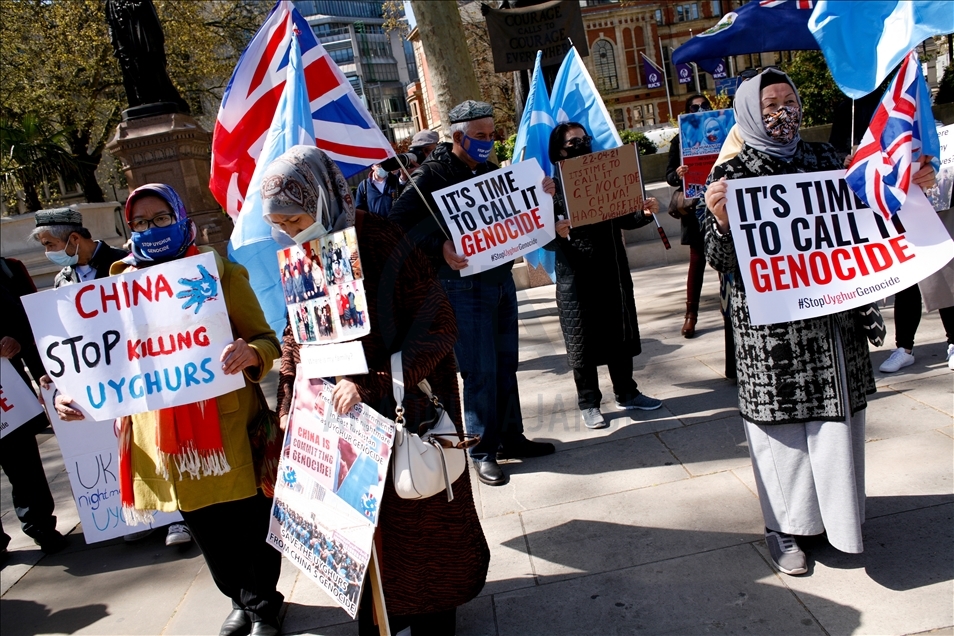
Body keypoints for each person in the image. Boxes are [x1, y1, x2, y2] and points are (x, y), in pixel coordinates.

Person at [703, 68, 937, 576]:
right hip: (772, 336)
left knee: (836, 430)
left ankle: (836, 522)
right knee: (783, 435)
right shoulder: (731, 176)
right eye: (769, 104)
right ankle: (784, 529)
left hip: (833, 329)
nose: (781, 111)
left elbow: (874, 213)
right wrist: (721, 222)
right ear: (748, 112)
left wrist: (910, 184)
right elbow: (719, 259)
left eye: (788, 99)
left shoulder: (828, 160)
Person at [262, 145, 489, 634]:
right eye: (280, 225)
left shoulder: (383, 240)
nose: (290, 232)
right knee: (360, 535)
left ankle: (432, 616)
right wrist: (286, 402)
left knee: (421, 525)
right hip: (340, 423)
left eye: (297, 220)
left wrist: (370, 383)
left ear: (323, 200)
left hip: (406, 415)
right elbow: (294, 333)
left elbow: (439, 326)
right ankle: (383, 614)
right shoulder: (300, 253)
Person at [53, 184, 284, 635]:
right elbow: (101, 360)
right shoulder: (113, 286)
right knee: (203, 527)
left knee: (243, 521)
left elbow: (266, 341)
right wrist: (72, 395)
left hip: (225, 426)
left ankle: (263, 604)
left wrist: (251, 354)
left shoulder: (219, 274)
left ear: (180, 218)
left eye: (160, 218)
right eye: (139, 223)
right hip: (158, 433)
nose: (150, 229)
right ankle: (238, 597)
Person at [390, 100, 556, 487]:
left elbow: (515, 215)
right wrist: (439, 248)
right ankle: (482, 451)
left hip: (500, 282)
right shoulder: (431, 176)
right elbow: (396, 223)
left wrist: (540, 194)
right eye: (480, 137)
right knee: (479, 371)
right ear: (458, 137)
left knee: (505, 365)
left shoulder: (492, 171)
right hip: (461, 288)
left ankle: (511, 437)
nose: (488, 142)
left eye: (492, 135)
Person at [545, 123, 663, 430]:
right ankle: (589, 402)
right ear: (559, 150)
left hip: (612, 269)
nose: (582, 145)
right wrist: (557, 231)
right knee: (582, 338)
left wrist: (644, 213)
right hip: (577, 276)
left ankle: (627, 391)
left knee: (618, 331)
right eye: (574, 142)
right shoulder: (550, 189)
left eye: (585, 140)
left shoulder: (605, 177)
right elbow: (541, 238)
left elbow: (626, 217)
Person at [0, 257, 68, 556]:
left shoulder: (9, 268)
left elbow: (30, 318)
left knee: (23, 463)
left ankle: (41, 526)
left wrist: (19, 342)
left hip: (10, 390)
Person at [666, 95, 712, 339]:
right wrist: (678, 173)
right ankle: (690, 315)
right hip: (696, 207)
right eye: (694, 108)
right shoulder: (679, 141)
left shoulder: (724, 135)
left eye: (705, 106)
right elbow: (670, 177)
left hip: (723, 202)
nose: (700, 110)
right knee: (697, 260)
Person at [31, 208, 129, 288]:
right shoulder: (62, 279)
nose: (48, 252)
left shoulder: (125, 262)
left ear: (74, 238)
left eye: (50, 245)